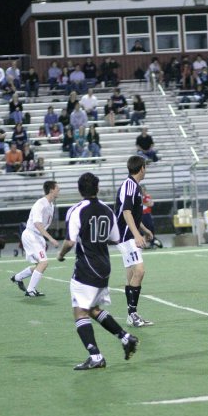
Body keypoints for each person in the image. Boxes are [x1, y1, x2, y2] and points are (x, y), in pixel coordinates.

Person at [57, 172, 138, 370]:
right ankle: (125, 337)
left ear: (79, 190)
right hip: (104, 266)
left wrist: (61, 254)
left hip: (86, 266)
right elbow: (115, 237)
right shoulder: (107, 210)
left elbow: (70, 241)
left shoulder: (76, 210)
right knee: (92, 309)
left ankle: (95, 357)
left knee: (79, 312)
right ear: (98, 188)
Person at [114, 155, 154, 327]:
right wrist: (137, 235)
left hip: (126, 235)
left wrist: (145, 230)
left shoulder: (133, 185)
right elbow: (127, 212)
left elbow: (134, 215)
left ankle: (132, 314)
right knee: (139, 271)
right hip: (127, 236)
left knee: (131, 274)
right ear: (142, 168)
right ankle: (132, 314)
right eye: (146, 167)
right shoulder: (130, 185)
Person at [10, 181, 60, 297]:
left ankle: (18, 277)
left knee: (40, 265)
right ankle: (30, 290)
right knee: (44, 263)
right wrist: (50, 238)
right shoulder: (40, 204)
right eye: (57, 188)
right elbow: (37, 224)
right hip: (31, 234)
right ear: (51, 190)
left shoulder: (50, 204)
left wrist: (43, 238)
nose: (59, 190)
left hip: (37, 236)